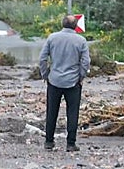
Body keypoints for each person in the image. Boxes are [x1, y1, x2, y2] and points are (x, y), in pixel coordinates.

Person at [37, 15, 91, 152]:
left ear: (62, 24)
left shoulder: (52, 38)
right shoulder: (81, 41)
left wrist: (45, 75)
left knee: (51, 111)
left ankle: (49, 141)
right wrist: (80, 76)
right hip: (73, 82)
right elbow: (85, 62)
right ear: (75, 26)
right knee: (72, 112)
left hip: (54, 80)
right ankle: (71, 143)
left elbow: (42, 58)